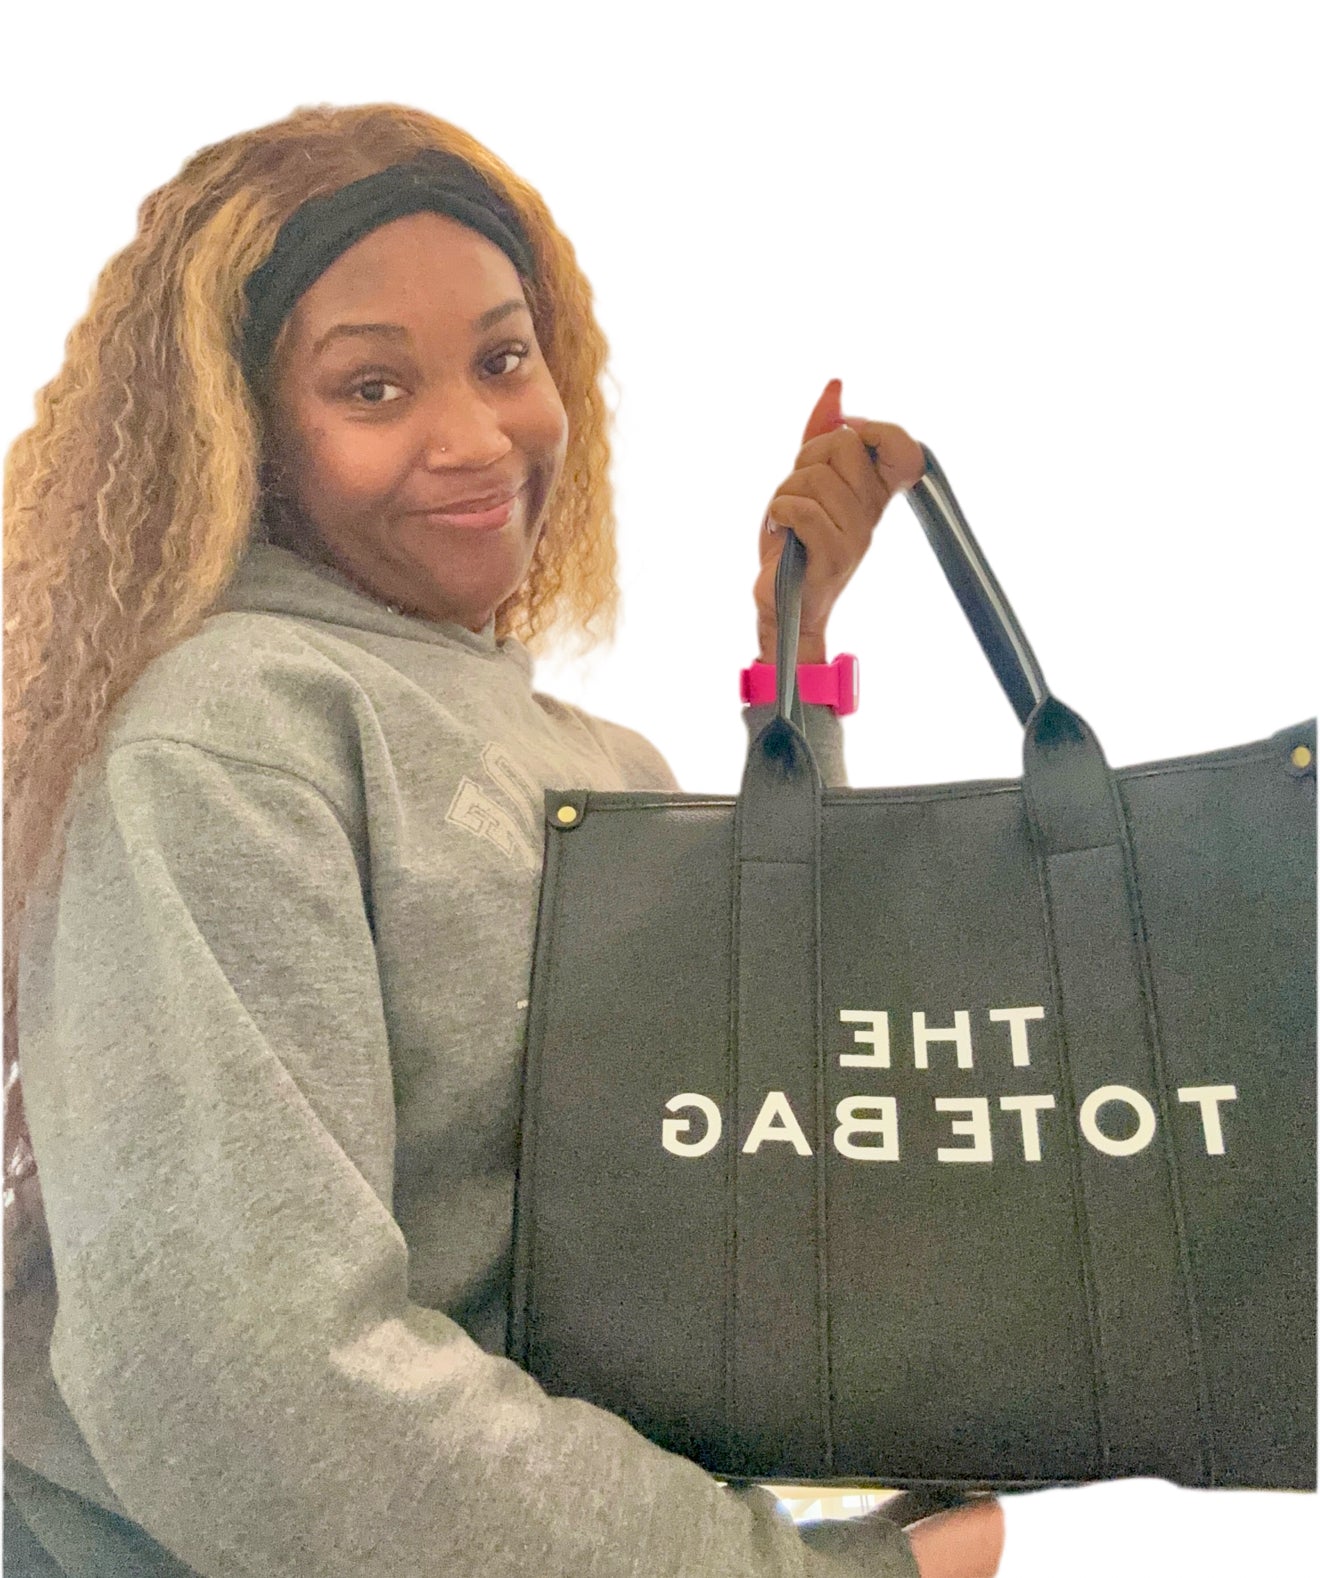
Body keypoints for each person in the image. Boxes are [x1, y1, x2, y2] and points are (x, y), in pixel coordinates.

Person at [2, 101, 1005, 1577]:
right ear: (248, 436)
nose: (476, 440)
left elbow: (789, 1101)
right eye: (374, 387)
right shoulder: (228, 739)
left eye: (502, 358)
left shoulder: (591, 760)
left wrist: (794, 655)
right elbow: (255, 1395)